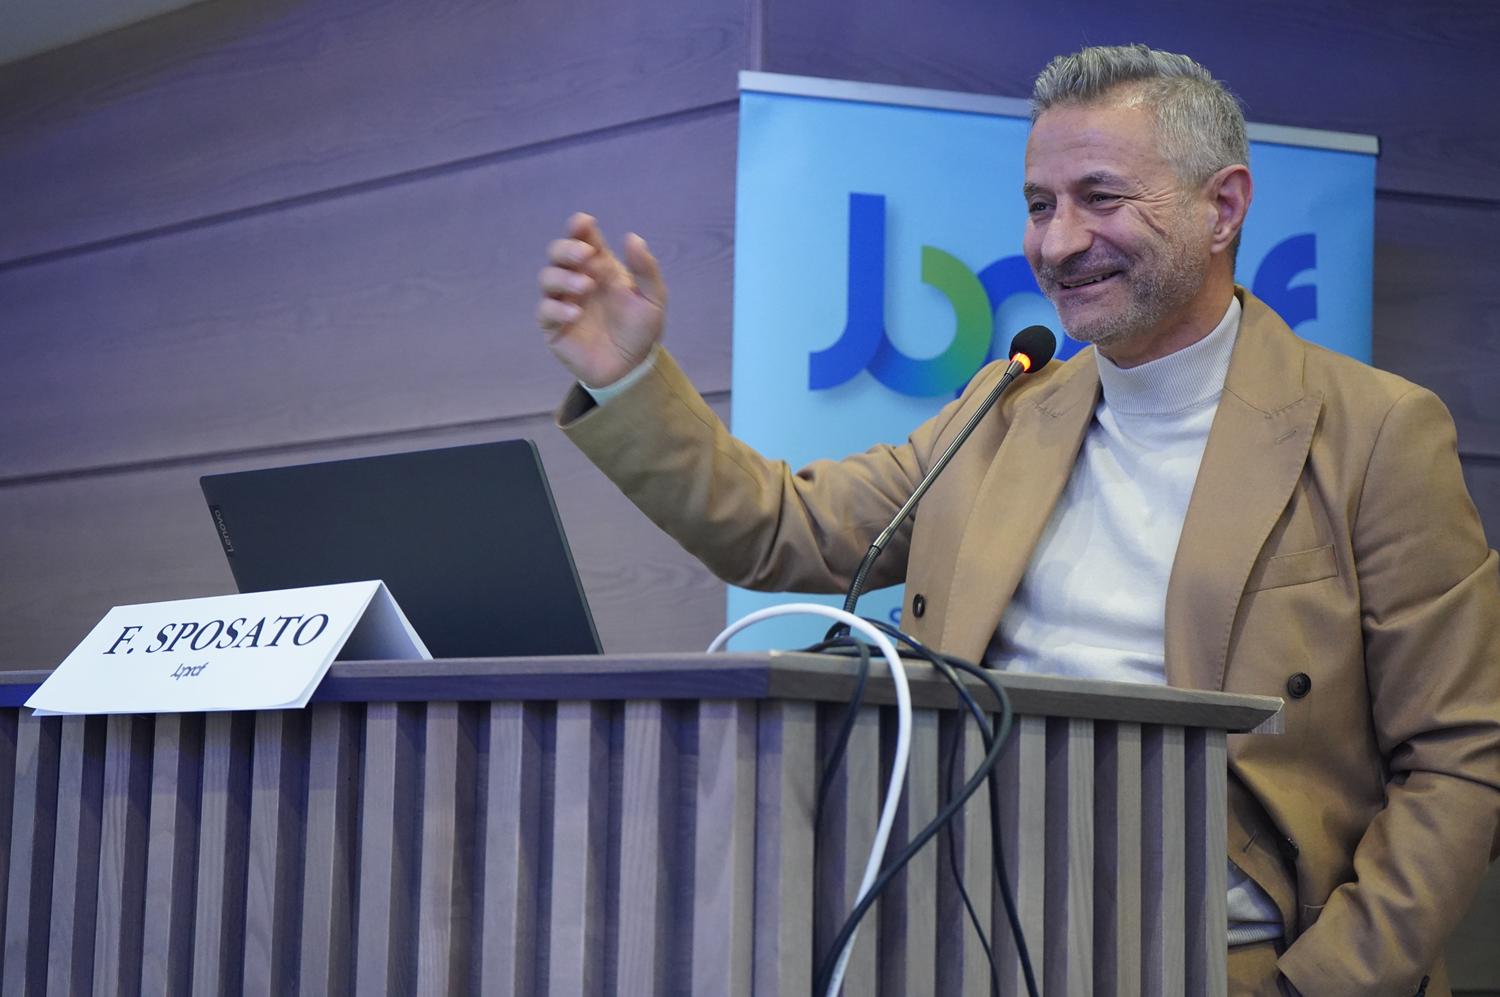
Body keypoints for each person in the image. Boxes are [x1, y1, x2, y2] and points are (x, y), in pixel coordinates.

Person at [535, 44, 1500, 997]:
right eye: (1040, 205)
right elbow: (779, 526)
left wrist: (1316, 987)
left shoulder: (1375, 431)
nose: (1058, 242)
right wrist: (628, 380)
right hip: (968, 951)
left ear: (1224, 207)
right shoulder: (1002, 410)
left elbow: (1463, 759)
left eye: (1100, 197)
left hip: (1235, 964)